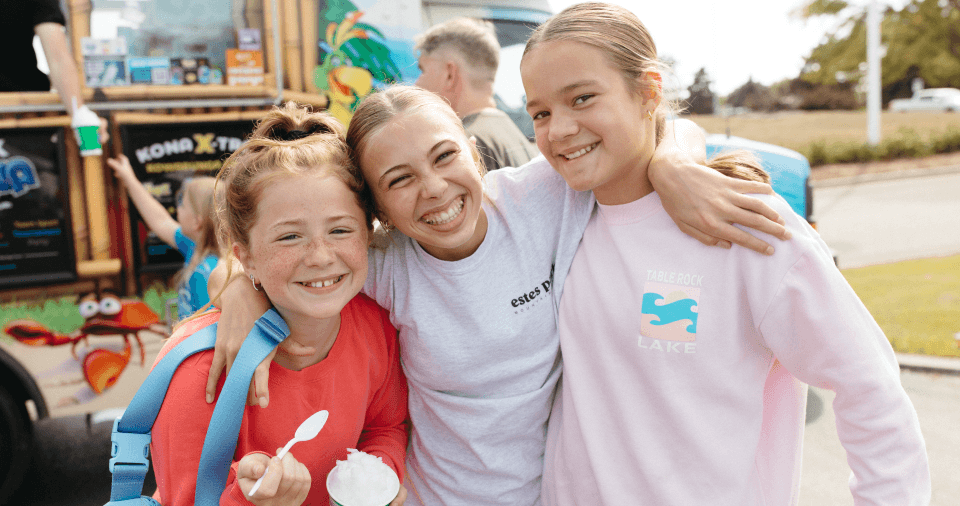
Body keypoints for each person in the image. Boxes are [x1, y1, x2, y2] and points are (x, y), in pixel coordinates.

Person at [206, 88, 793, 505]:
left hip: (561, 492)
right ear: (377, 209)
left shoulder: (543, 198)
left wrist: (672, 166)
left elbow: (659, 125)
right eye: (399, 179)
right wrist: (236, 289)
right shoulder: (387, 263)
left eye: (445, 156)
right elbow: (265, 262)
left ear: (474, 150)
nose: (434, 189)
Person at [518, 4, 931, 505]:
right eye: (540, 113)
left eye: (582, 98)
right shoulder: (556, 214)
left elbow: (869, 387)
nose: (559, 129)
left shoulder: (747, 224)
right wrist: (671, 155)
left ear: (648, 91)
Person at [149, 104, 409, 505]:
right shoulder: (199, 368)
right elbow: (182, 496)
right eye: (290, 237)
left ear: (367, 234)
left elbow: (385, 426)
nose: (320, 256)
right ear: (246, 256)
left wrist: (378, 476)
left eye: (340, 230)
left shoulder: (376, 329)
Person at [414, 17, 539, 172]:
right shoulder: (513, 134)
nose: (417, 84)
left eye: (422, 70)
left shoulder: (465, 144)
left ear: (449, 75)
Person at [108, 155, 220, 320]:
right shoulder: (194, 245)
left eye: (182, 205)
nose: (177, 208)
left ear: (197, 222)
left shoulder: (207, 273)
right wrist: (129, 179)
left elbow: (210, 324)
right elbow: (160, 221)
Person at [0, 0, 107, 138]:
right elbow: (57, 58)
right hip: (22, 115)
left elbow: (58, 58)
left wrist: (80, 115)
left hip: (22, 114)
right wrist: (80, 114)